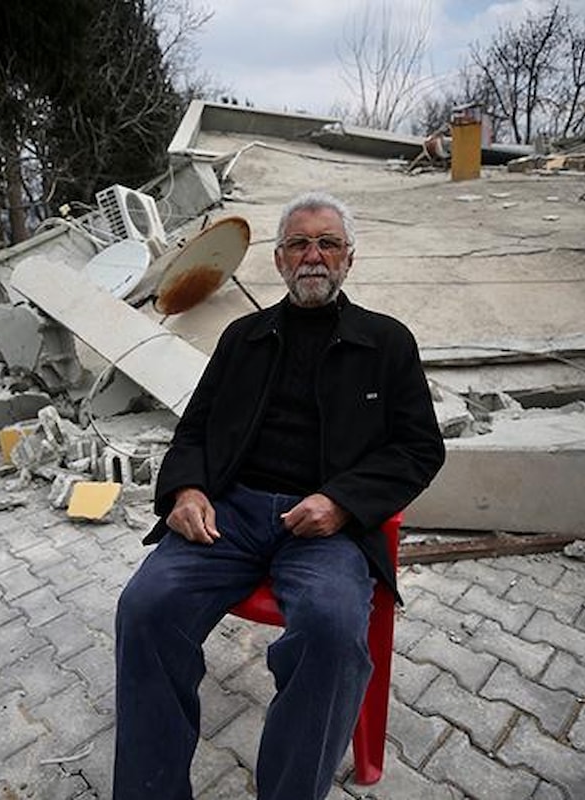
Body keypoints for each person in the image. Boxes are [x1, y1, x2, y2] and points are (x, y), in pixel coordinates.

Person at [113, 191, 446, 800]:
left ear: (349, 258)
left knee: (331, 628)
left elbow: (419, 448)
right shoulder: (242, 338)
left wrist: (341, 502)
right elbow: (193, 431)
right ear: (279, 260)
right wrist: (186, 489)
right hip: (230, 515)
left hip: (327, 527)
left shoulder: (387, 342)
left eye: (328, 244)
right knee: (145, 607)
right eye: (298, 244)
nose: (313, 255)